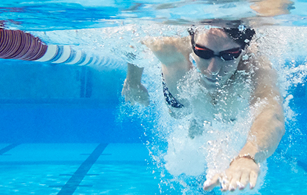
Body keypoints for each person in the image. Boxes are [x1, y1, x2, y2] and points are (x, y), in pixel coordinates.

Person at [121, 24, 285, 192]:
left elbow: (271, 113)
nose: (213, 69)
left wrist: (248, 156)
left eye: (229, 55)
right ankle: (197, 122)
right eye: (203, 52)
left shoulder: (256, 66)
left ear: (243, 50)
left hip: (226, 112)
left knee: (227, 116)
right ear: (192, 43)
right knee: (179, 115)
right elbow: (133, 39)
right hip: (181, 104)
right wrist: (133, 80)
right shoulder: (169, 46)